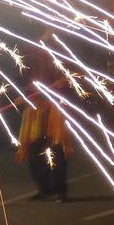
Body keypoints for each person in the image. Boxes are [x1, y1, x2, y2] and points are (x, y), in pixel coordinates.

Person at [17, 73, 71, 202]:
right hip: (37, 124)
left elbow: (65, 85)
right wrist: (24, 97)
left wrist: (56, 85)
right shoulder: (30, 66)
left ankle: (59, 192)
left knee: (57, 159)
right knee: (35, 160)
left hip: (54, 121)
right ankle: (45, 189)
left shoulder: (53, 67)